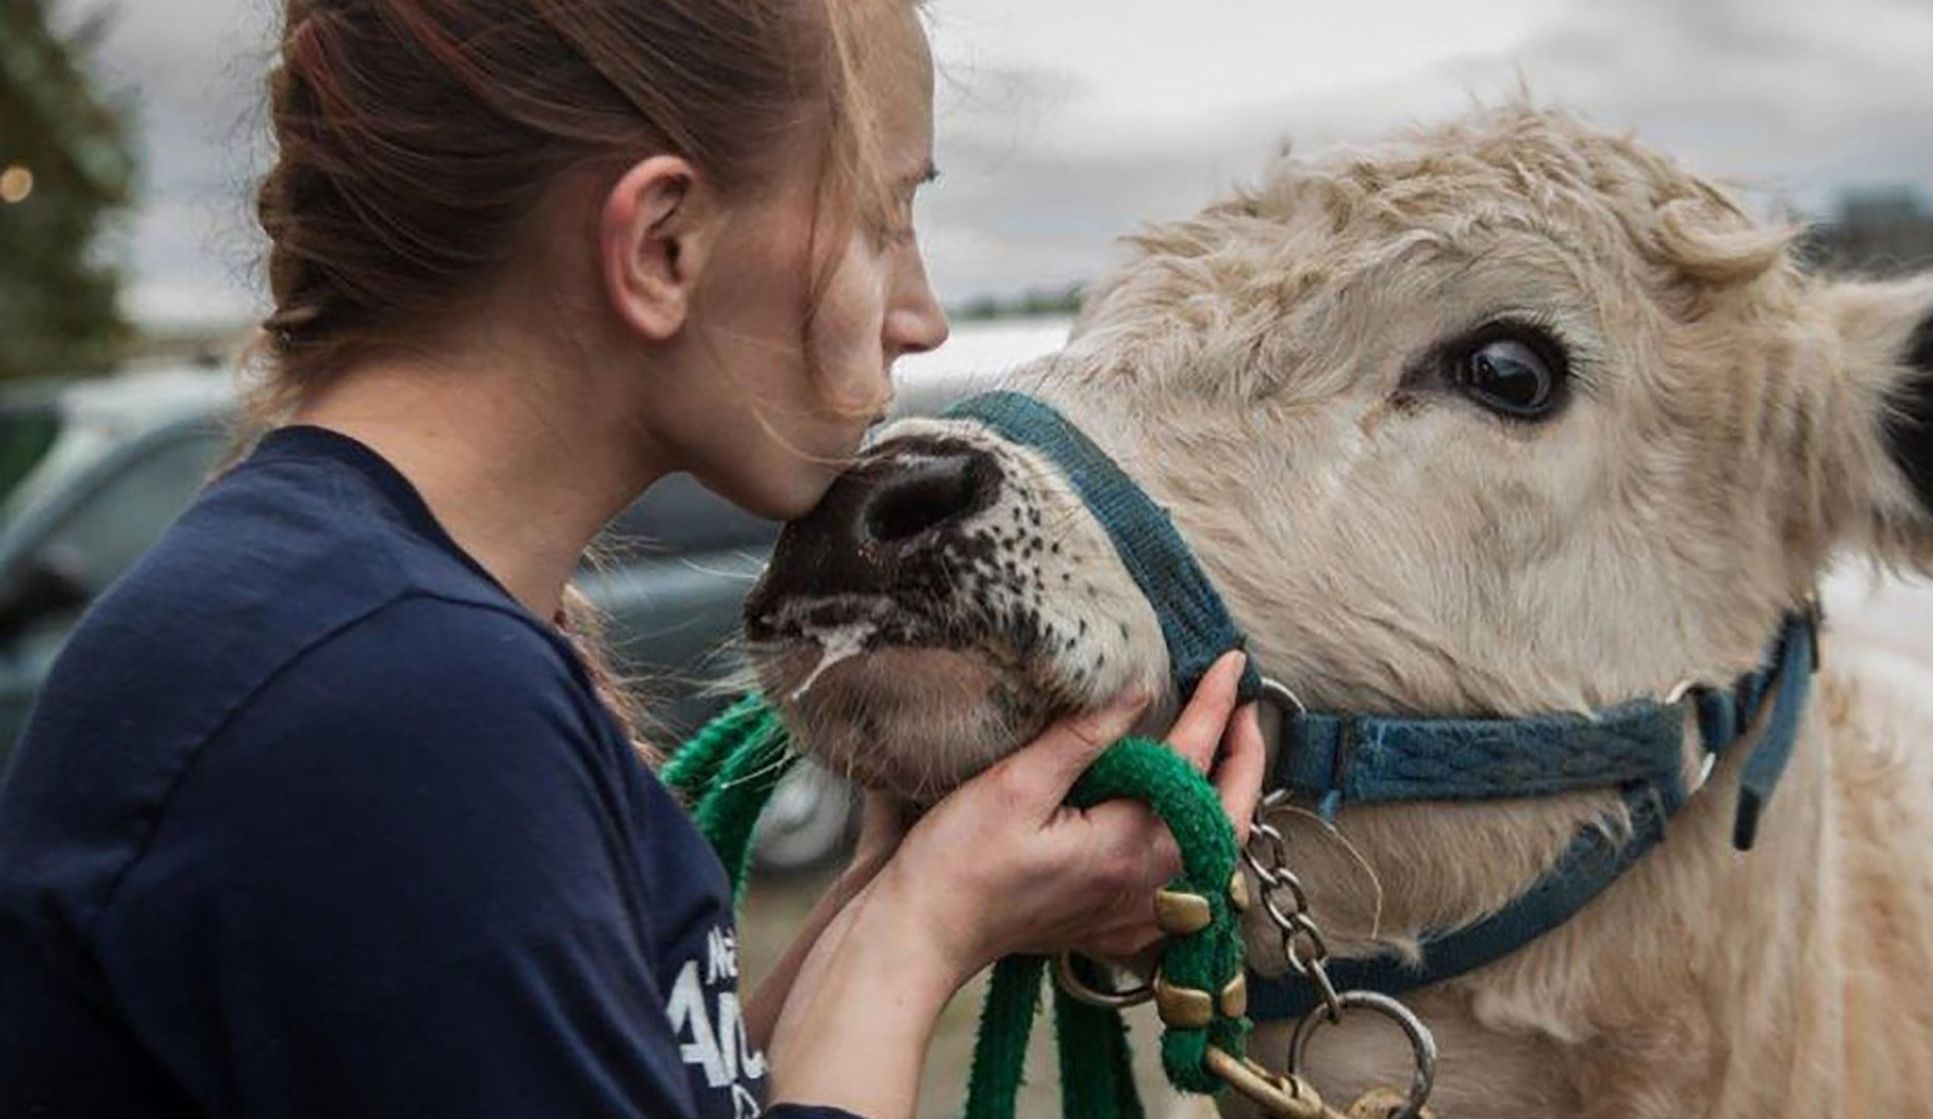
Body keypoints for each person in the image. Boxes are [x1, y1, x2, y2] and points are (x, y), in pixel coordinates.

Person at [0, 1, 1268, 1117]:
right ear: (662, 244)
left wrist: (902, 891)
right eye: (887, 219)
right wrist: (921, 941)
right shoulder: (392, 705)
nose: (919, 314)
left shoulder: (358, 627)